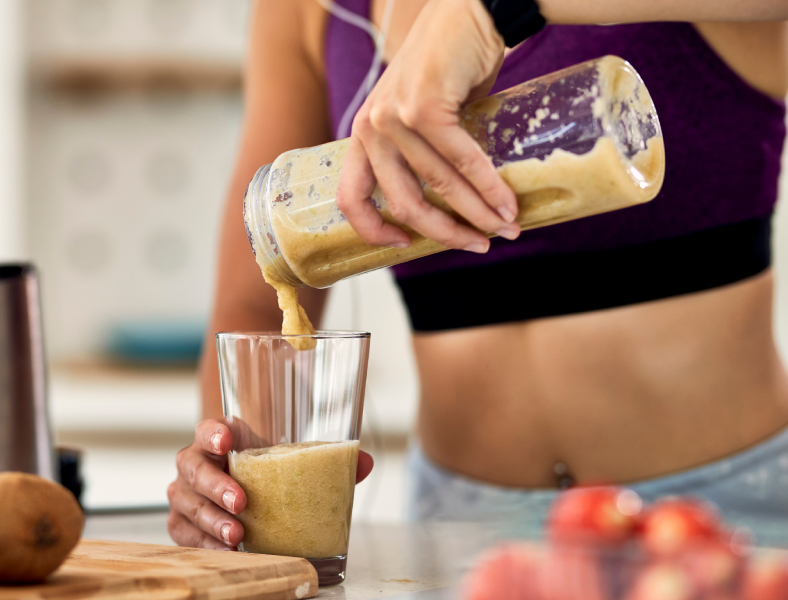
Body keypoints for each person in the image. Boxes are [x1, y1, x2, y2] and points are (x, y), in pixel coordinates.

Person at [167, 0, 788, 550]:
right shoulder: (310, 8)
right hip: (458, 529)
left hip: (722, 515)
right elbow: (257, 298)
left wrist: (489, 8)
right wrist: (228, 482)